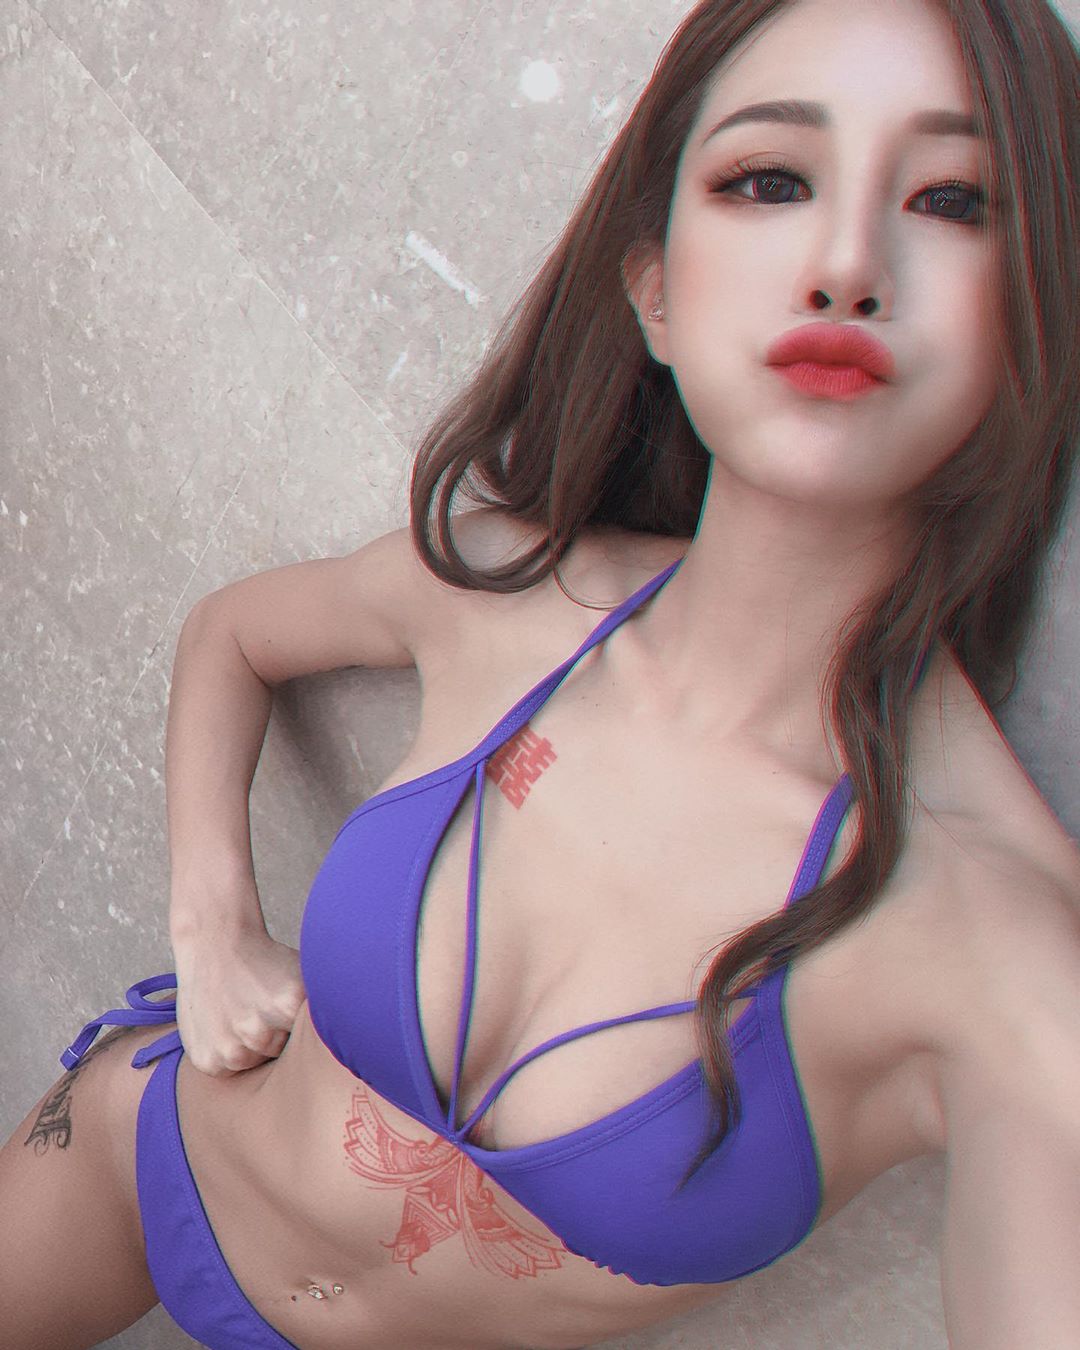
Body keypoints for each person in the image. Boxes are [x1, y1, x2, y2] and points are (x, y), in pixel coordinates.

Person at [2, 0, 1078, 1345]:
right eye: (770, 180)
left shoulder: (996, 950)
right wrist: (212, 929)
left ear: (1033, 314)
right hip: (140, 1161)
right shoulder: (522, 591)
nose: (848, 261)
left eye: (951, 199)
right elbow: (233, 630)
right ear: (657, 291)